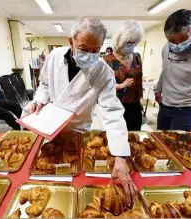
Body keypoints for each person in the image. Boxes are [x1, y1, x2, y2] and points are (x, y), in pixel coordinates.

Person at [25, 16, 136, 206]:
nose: (91, 55)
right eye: (84, 49)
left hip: (78, 133)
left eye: (96, 50)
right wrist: (40, 99)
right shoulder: (54, 57)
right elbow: (44, 83)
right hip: (48, 128)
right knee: (49, 182)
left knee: (74, 180)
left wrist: (120, 156)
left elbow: (112, 113)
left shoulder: (103, 72)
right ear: (71, 41)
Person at [154, 9, 191, 131]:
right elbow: (166, 71)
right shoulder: (166, 49)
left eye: (183, 39)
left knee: (175, 146)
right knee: (159, 140)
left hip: (189, 108)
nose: (177, 45)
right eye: (172, 41)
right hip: (166, 105)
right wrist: (158, 89)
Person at [104, 20, 144, 130]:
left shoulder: (137, 57)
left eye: (135, 43)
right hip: (115, 108)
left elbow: (138, 83)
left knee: (134, 139)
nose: (132, 46)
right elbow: (102, 87)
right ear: (119, 40)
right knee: (115, 141)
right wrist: (120, 85)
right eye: (129, 43)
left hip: (135, 107)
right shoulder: (106, 60)